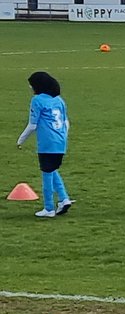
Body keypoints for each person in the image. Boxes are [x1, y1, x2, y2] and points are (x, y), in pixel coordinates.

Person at [17, 71, 72, 218]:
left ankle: (48, 208)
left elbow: (33, 125)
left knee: (46, 174)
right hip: (60, 142)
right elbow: (66, 122)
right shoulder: (59, 100)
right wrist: (63, 138)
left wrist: (20, 140)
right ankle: (64, 198)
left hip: (47, 143)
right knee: (52, 169)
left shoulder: (37, 100)